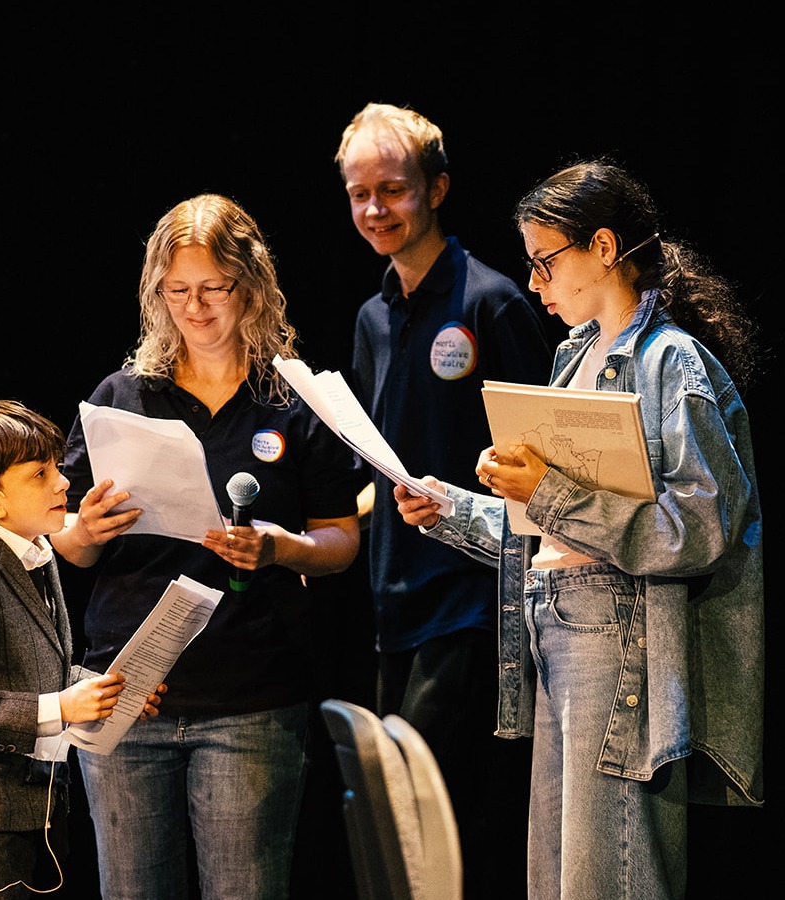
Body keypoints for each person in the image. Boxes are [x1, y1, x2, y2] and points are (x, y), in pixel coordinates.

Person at [393, 158, 766, 900]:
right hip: (556, 629)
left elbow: (696, 528)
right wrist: (454, 509)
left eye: (545, 262)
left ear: (601, 248)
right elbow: (549, 528)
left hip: (617, 638)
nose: (535, 284)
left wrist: (552, 492)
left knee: (609, 876)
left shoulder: (669, 362)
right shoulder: (572, 360)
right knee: (559, 880)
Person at [50, 193, 362, 900]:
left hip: (250, 696)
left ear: (250, 286)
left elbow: (341, 540)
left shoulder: (292, 398)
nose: (194, 308)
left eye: (212, 289)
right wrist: (85, 532)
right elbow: (65, 540)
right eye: (177, 291)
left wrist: (283, 548)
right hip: (129, 694)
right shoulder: (123, 395)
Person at [334, 100, 550, 895]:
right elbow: (381, 457)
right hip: (394, 595)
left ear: (437, 188)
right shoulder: (372, 317)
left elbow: (543, 460)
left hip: (474, 596)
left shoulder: (491, 302)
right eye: (360, 194)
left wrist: (461, 504)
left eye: (391, 190)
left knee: (446, 821)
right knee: (395, 821)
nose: (374, 210)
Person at [0, 399, 166, 900]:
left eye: (58, 467)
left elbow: (38, 669)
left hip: (35, 809)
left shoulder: (37, 554)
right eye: (40, 474)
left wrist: (103, 691)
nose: (63, 483)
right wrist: (63, 707)